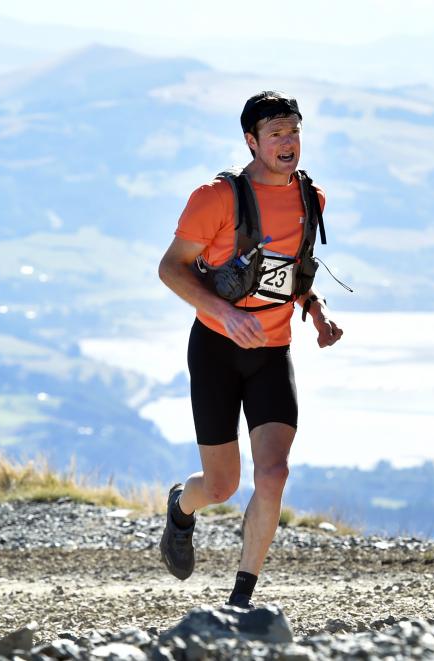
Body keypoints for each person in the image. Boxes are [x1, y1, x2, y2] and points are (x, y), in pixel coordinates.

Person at [158, 90, 343, 609]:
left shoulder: (312, 198)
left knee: (274, 473)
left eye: (295, 131)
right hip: (217, 349)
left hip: (271, 351)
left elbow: (293, 272)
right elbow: (170, 268)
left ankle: (241, 600)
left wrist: (316, 309)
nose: (289, 143)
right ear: (251, 141)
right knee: (220, 486)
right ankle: (180, 508)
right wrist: (226, 314)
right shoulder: (214, 197)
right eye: (277, 133)